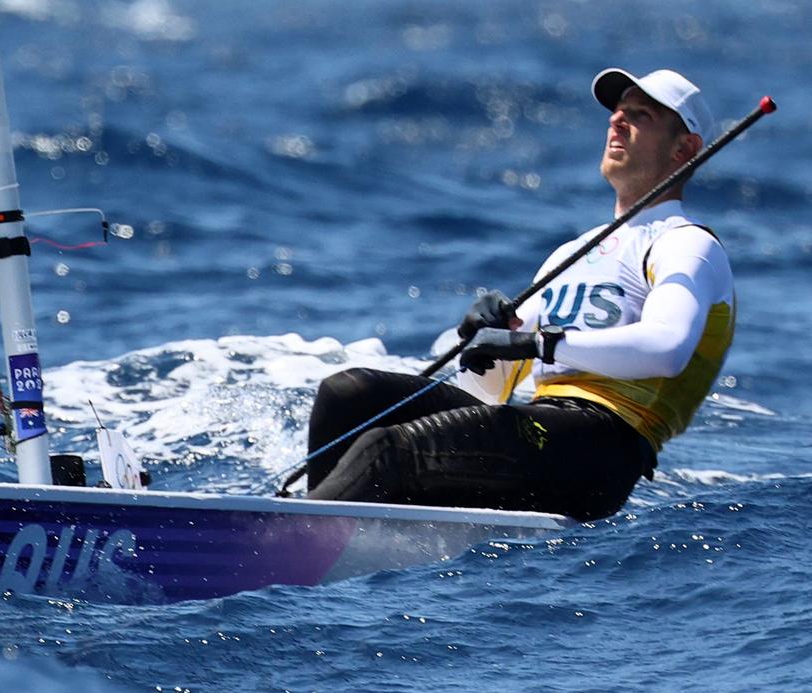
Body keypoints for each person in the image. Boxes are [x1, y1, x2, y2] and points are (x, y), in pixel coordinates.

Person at [304, 68, 734, 522]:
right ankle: (320, 532)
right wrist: (476, 338)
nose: (616, 122)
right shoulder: (570, 254)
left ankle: (290, 538)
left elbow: (668, 349)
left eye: (640, 116)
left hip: (603, 447)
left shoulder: (687, 244)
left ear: (684, 149)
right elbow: (486, 389)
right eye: (616, 112)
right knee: (349, 393)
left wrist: (541, 342)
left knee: (385, 450)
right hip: (542, 429)